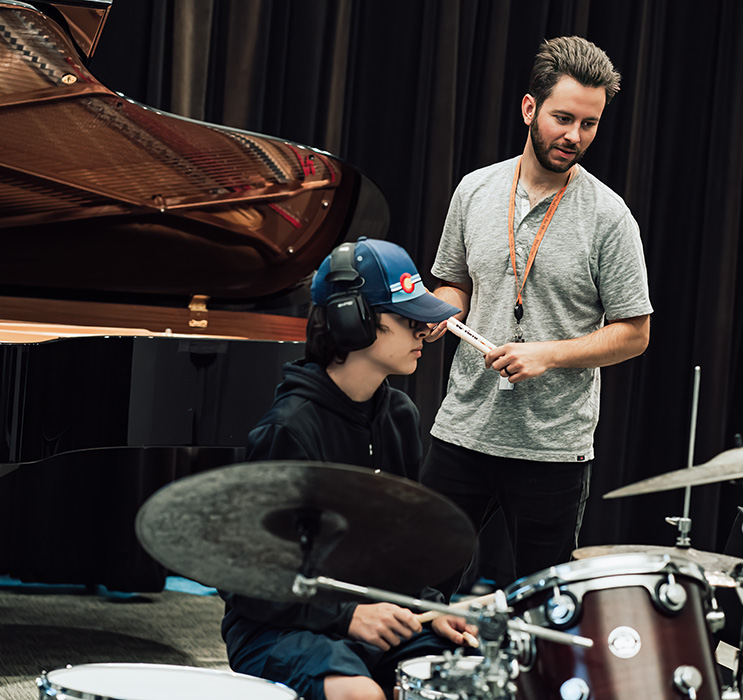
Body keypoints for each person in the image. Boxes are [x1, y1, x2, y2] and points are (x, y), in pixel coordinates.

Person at [422, 36, 653, 591]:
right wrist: (437, 313)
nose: (575, 136)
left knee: (542, 607)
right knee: (419, 585)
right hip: (462, 430)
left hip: (553, 447)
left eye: (590, 124)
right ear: (530, 109)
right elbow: (454, 284)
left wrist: (547, 355)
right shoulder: (474, 190)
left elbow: (634, 333)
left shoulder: (609, 217)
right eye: (563, 118)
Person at [220, 237, 477, 700]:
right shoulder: (290, 429)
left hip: (377, 613)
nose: (424, 331)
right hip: (279, 626)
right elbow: (245, 583)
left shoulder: (399, 416)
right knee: (360, 694)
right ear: (353, 321)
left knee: (460, 679)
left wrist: (432, 608)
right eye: (408, 319)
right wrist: (348, 618)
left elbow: (398, 554)